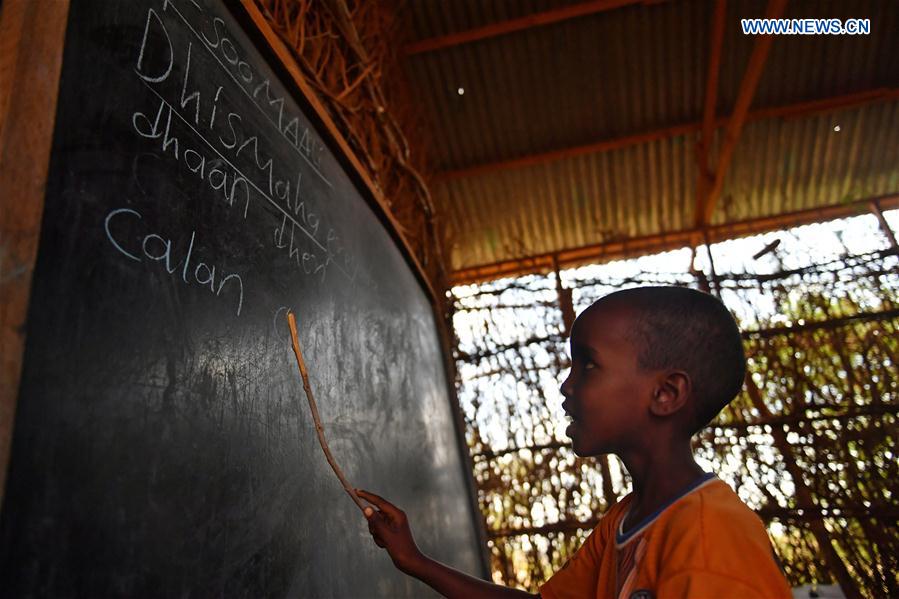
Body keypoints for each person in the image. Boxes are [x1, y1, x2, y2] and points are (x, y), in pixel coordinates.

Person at [357, 286, 792, 598]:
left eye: (588, 366)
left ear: (666, 394)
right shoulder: (627, 523)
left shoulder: (709, 541)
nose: (566, 386)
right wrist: (414, 561)